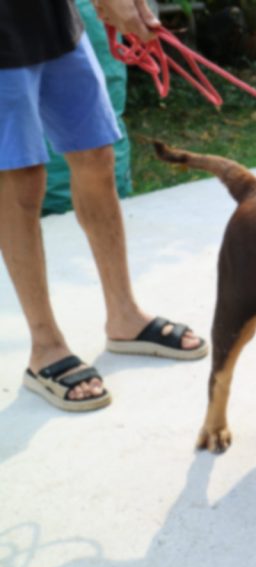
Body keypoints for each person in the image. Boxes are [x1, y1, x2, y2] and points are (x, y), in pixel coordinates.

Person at [0, 0, 208, 412]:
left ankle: (124, 316)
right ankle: (45, 345)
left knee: (96, 156)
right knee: (20, 179)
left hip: (54, 22)